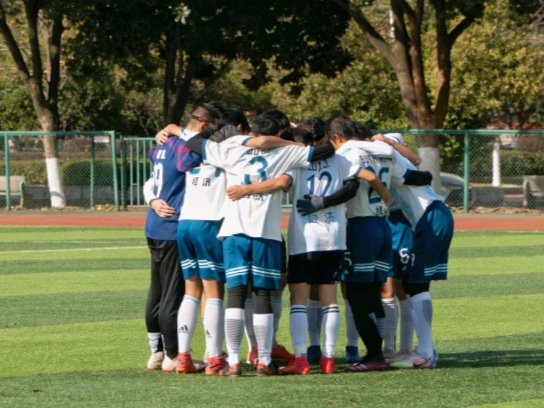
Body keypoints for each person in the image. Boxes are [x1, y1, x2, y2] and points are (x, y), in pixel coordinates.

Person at [185, 115, 335, 377]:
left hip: (234, 231)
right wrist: (288, 140)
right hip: (265, 232)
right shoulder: (287, 152)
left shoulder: (230, 147)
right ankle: (264, 361)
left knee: (235, 294)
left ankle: (233, 362)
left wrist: (230, 134)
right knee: (263, 294)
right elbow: (327, 149)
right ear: (278, 132)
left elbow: (193, 143)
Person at [226, 122, 355, 375]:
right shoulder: (340, 160)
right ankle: (329, 359)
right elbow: (353, 186)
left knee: (299, 300)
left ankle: (301, 359)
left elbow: (280, 182)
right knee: (330, 299)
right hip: (335, 237)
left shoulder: (296, 161)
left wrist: (245, 189)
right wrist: (326, 201)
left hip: (305, 239)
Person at [157, 110, 251, 376]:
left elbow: (188, 137)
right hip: (209, 224)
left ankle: (183, 357)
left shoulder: (193, 150)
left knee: (191, 291)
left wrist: (172, 128)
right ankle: (214, 357)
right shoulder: (225, 152)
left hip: (185, 223)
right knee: (213, 292)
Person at [143, 103, 219, 373]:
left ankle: (156, 352)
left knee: (157, 291)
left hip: (154, 224)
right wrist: (179, 132)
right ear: (204, 125)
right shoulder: (185, 146)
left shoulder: (164, 144)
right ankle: (173, 355)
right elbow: (186, 163)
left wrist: (152, 200)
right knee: (172, 295)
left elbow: (152, 179)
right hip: (172, 226)